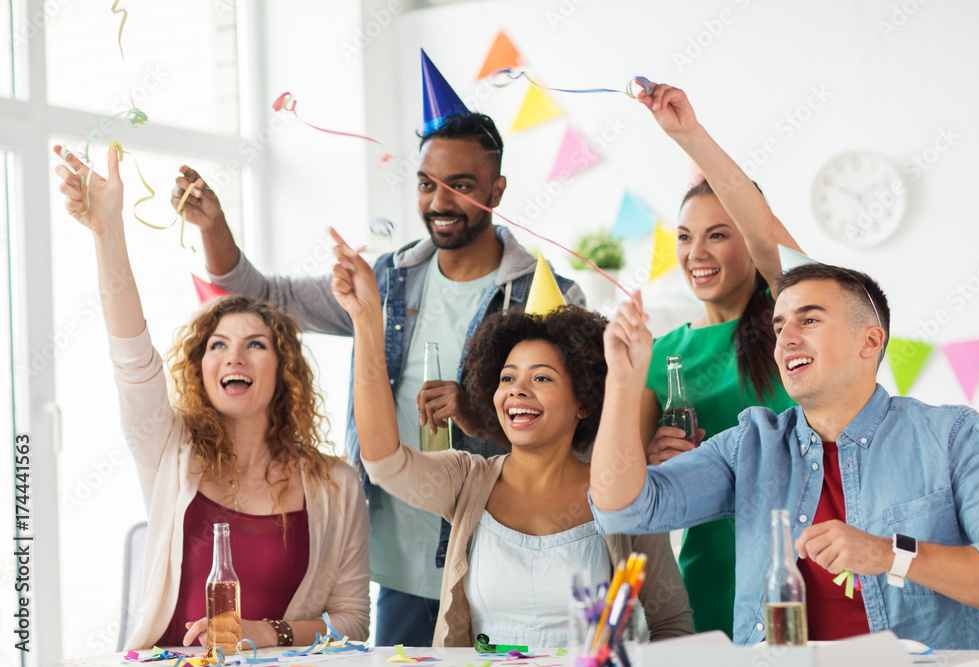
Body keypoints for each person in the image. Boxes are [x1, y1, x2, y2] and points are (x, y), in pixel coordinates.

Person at [171, 111, 583, 646]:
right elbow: (268, 297)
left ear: (497, 189)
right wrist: (213, 227)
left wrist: (475, 413)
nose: (439, 202)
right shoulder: (389, 279)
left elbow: (575, 429)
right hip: (398, 562)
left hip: (499, 555)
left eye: (461, 186)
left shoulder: (547, 295)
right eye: (426, 184)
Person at [53, 145, 371, 650]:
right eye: (218, 346)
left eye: (255, 345)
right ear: (200, 369)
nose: (233, 358)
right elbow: (132, 358)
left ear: (285, 370)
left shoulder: (336, 484)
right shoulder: (169, 450)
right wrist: (106, 230)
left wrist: (264, 633)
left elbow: (353, 622)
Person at [591, 264, 979, 649]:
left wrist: (888, 554)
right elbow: (623, 510)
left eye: (809, 320)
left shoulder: (951, 435)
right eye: (780, 325)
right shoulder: (749, 445)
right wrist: (623, 383)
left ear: (870, 340)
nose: (785, 338)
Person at [328, 228, 692, 646]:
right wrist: (367, 319)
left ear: (584, 401)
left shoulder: (624, 495)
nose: (517, 390)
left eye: (541, 377)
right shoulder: (467, 480)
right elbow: (382, 460)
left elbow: (671, 625)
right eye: (507, 378)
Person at [634, 82, 803, 637]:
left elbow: (762, 226)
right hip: (707, 577)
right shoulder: (659, 354)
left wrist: (688, 136)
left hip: (802, 563)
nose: (695, 254)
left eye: (717, 235)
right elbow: (623, 486)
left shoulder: (792, 317)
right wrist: (655, 458)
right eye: (684, 237)